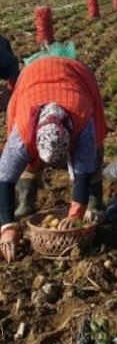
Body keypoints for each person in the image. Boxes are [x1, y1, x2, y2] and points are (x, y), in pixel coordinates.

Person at [0, 56, 107, 262]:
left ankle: (95, 205)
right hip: (31, 79)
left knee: (94, 156)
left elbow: (83, 171)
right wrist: (7, 226)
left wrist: (76, 214)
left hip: (76, 75)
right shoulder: (22, 133)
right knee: (28, 159)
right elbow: (4, 178)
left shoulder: (82, 121)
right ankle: (26, 203)